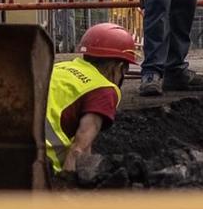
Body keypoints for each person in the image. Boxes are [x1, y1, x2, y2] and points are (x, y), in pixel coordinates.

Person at [45, 22, 139, 181]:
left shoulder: (60, 67)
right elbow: (78, 149)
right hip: (38, 165)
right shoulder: (104, 89)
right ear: (120, 67)